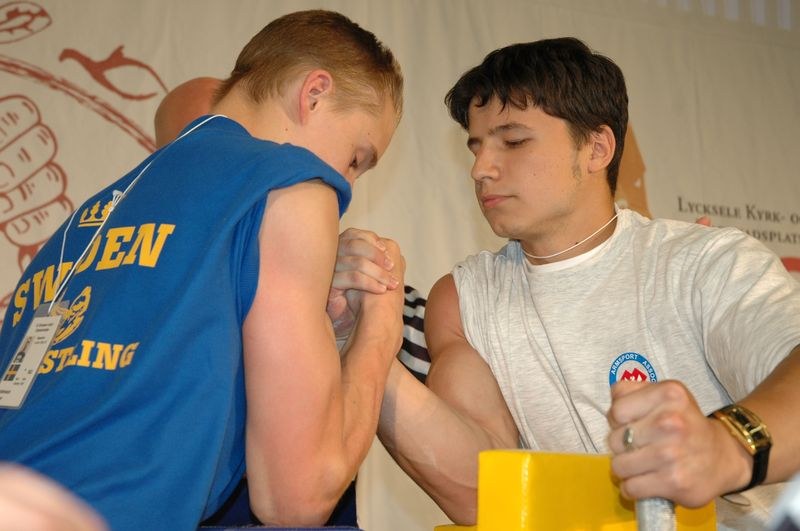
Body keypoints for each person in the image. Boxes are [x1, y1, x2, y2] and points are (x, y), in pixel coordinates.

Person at [0, 9, 407, 530]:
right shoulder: (293, 185)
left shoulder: (93, 216)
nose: (347, 184)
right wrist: (380, 326)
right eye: (356, 157)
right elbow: (295, 498)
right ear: (314, 94)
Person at [371, 37, 800, 530]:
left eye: (512, 141)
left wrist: (727, 445)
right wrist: (365, 352)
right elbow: (482, 490)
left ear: (597, 148)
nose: (480, 169)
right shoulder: (466, 300)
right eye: (477, 145)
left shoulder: (702, 262)